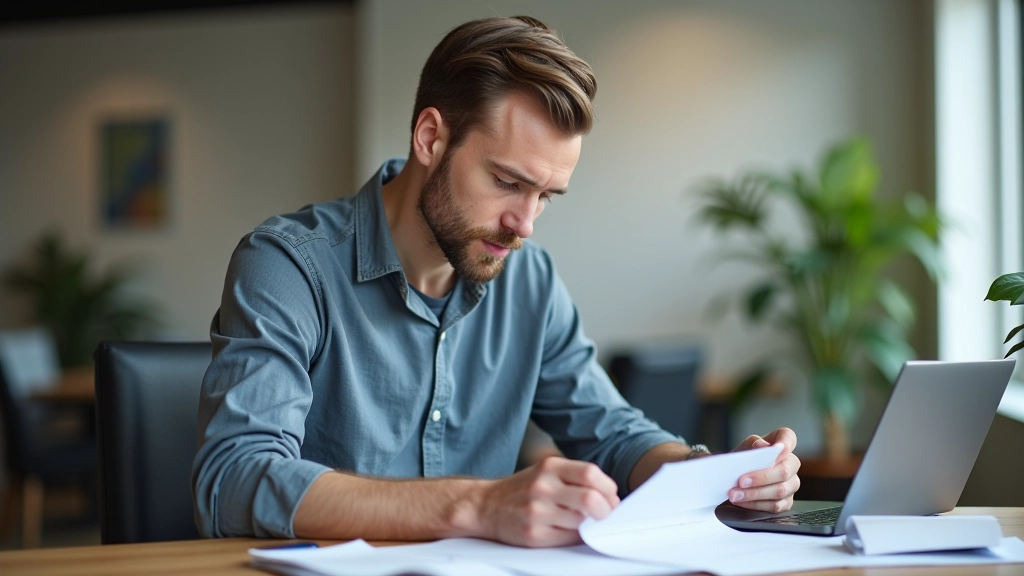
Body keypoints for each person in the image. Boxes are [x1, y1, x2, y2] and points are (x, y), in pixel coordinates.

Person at [192, 15, 800, 548]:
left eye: (546, 196)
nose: (524, 225)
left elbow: (613, 432)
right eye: (508, 183)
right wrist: (478, 506)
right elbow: (233, 479)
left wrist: (717, 474)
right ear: (431, 137)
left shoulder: (527, 278)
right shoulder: (289, 264)